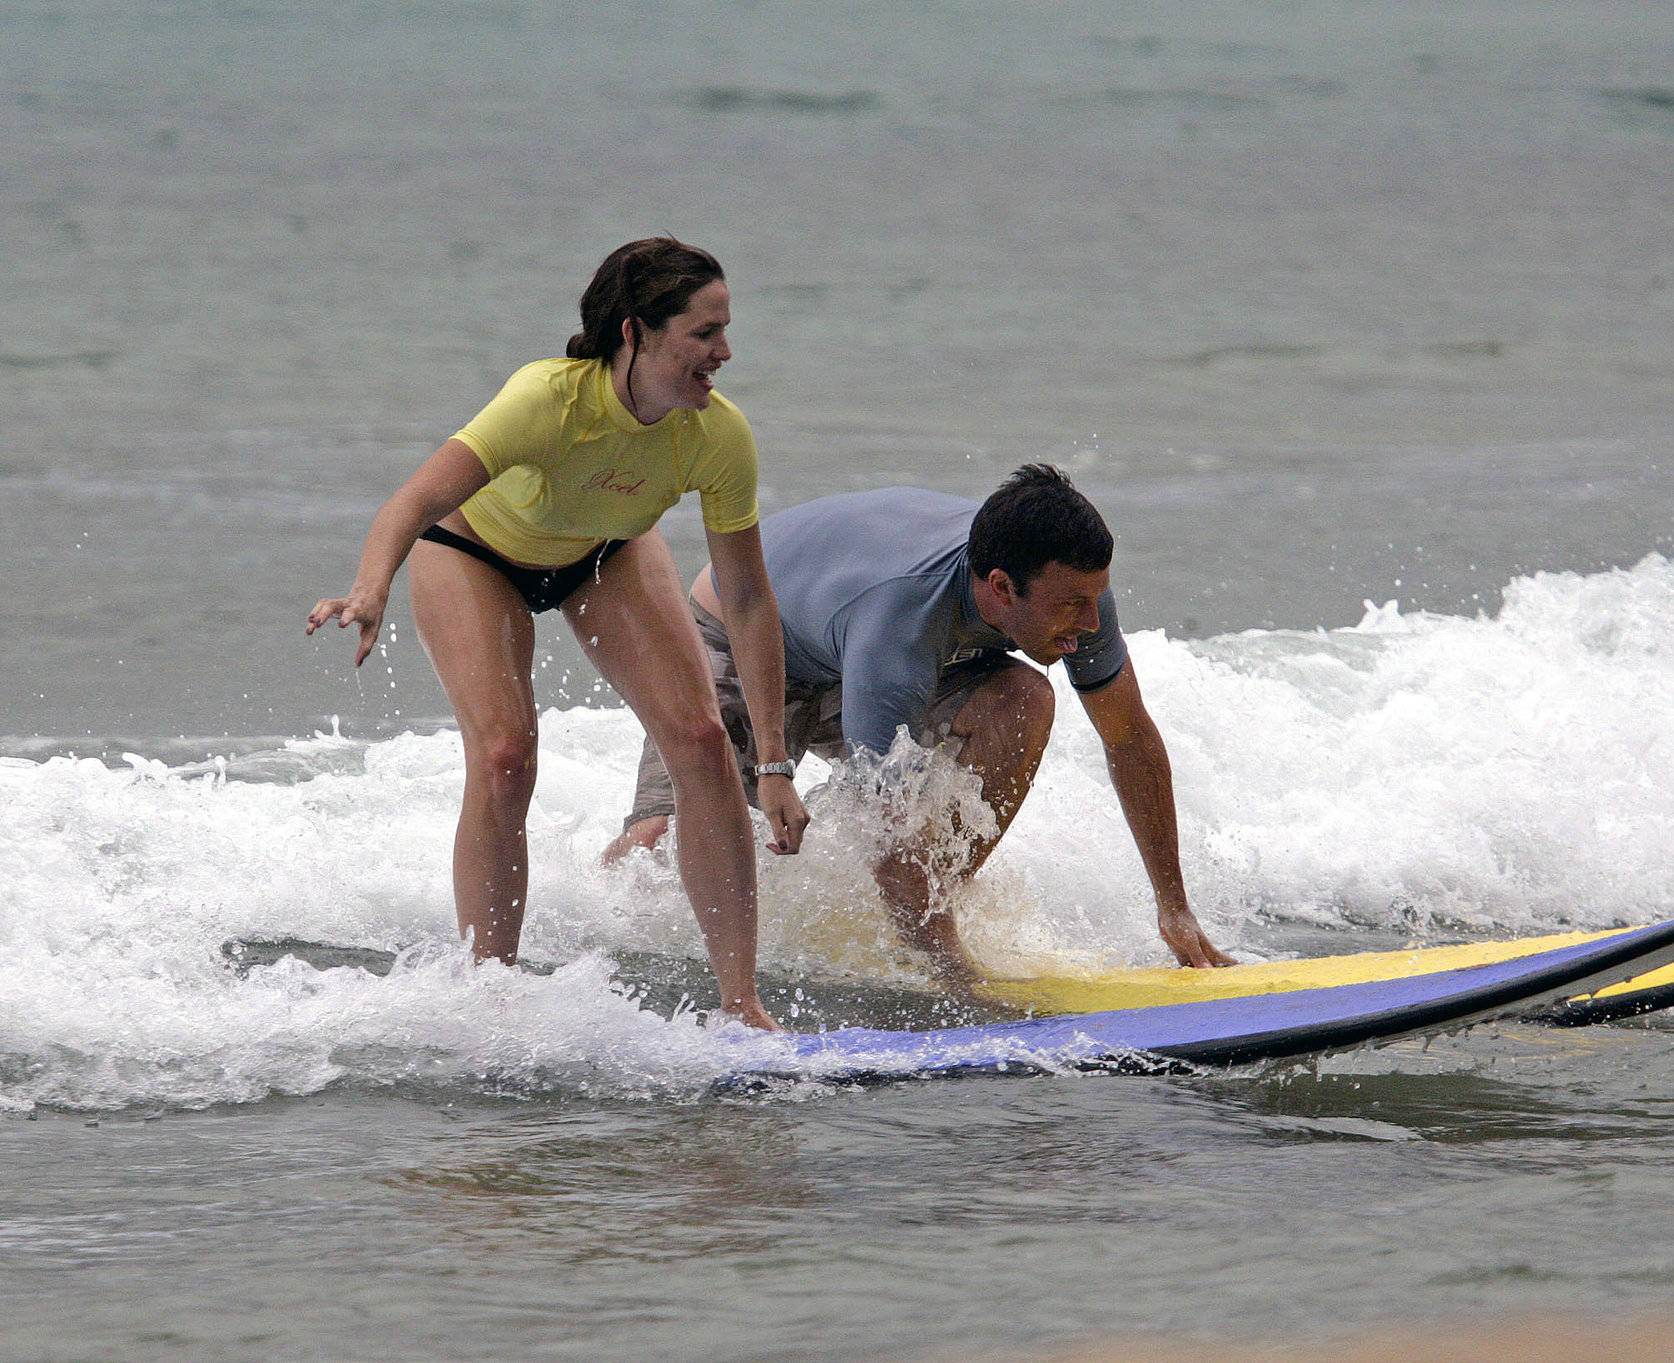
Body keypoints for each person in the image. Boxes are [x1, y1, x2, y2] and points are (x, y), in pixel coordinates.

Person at [309, 237, 803, 1030]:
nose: (725, 351)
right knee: (506, 757)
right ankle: (489, 999)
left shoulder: (717, 435)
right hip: (473, 552)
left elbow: (746, 601)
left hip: (603, 551)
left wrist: (773, 760)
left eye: (726, 329)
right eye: (705, 332)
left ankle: (741, 1003)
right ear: (637, 331)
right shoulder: (545, 401)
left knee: (706, 742)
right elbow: (411, 501)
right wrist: (371, 586)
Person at [603, 465, 1235, 989]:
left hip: (850, 632)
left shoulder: (1076, 592)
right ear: (1000, 587)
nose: (1090, 622)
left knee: (1021, 699)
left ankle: (927, 919)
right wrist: (962, 984)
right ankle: (591, 925)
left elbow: (1129, 738)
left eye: (1094, 599)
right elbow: (890, 823)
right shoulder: (899, 627)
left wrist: (1174, 908)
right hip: (737, 632)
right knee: (661, 838)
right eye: (1072, 606)